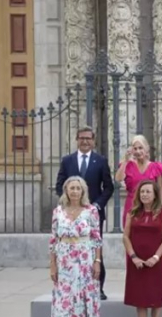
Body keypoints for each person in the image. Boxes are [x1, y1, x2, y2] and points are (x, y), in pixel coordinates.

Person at [55, 125, 114, 301]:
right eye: (82, 138)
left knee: (95, 249)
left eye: (88, 138)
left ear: (93, 141)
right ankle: (73, 286)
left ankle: (98, 287)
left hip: (93, 215)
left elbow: (108, 187)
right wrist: (68, 205)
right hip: (71, 214)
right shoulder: (67, 161)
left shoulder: (101, 161)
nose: (85, 141)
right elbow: (60, 185)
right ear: (77, 140)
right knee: (72, 250)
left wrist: (96, 206)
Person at [49, 176, 102, 317]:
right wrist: (53, 264)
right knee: (65, 302)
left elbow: (97, 238)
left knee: (82, 300)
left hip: (85, 259)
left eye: (78, 188)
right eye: (71, 188)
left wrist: (97, 261)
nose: (74, 191)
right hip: (64, 260)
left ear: (83, 191)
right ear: (66, 191)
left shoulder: (91, 211)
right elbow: (53, 240)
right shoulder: (58, 211)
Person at [123, 180, 162, 317]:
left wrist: (156, 257)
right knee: (141, 300)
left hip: (156, 262)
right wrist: (133, 257)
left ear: (155, 194)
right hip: (136, 262)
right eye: (142, 191)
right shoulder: (132, 212)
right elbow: (126, 236)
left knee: (155, 300)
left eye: (148, 192)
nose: (144, 194)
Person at [115, 134, 162, 224]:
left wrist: (159, 207)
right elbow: (118, 179)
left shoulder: (155, 167)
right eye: (135, 148)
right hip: (131, 205)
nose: (138, 151)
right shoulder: (129, 165)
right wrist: (126, 160)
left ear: (146, 149)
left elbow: (160, 189)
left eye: (140, 148)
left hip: (150, 205)